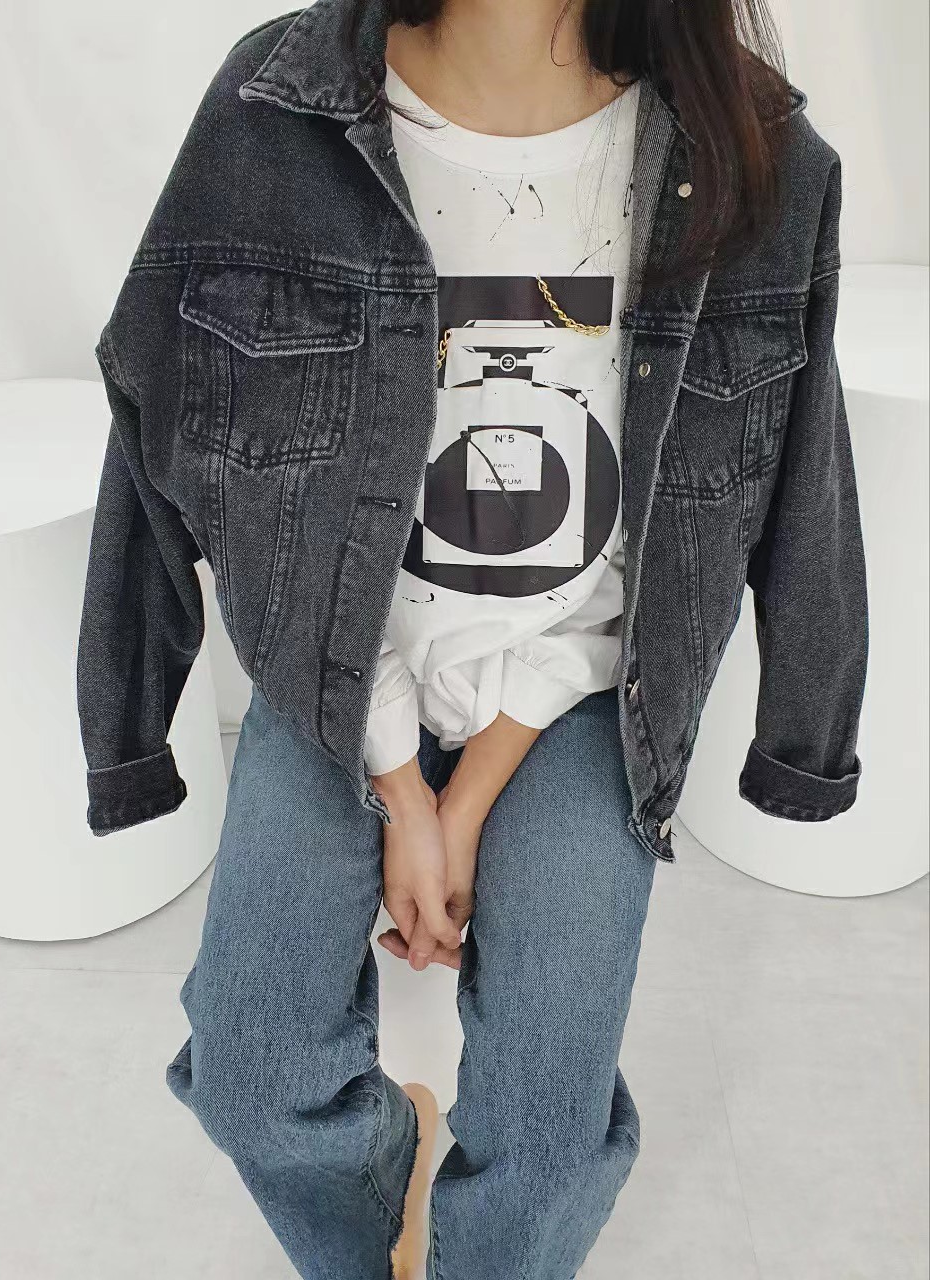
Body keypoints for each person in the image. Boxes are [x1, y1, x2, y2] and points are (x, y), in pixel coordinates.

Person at [75, 0, 869, 1276]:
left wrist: (475, 789)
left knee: (545, 1129)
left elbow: (781, 487)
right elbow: (164, 428)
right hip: (336, 673)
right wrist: (398, 785)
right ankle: (386, 1197)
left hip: (578, 692)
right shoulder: (275, 108)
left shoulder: (752, 152)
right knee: (254, 1075)